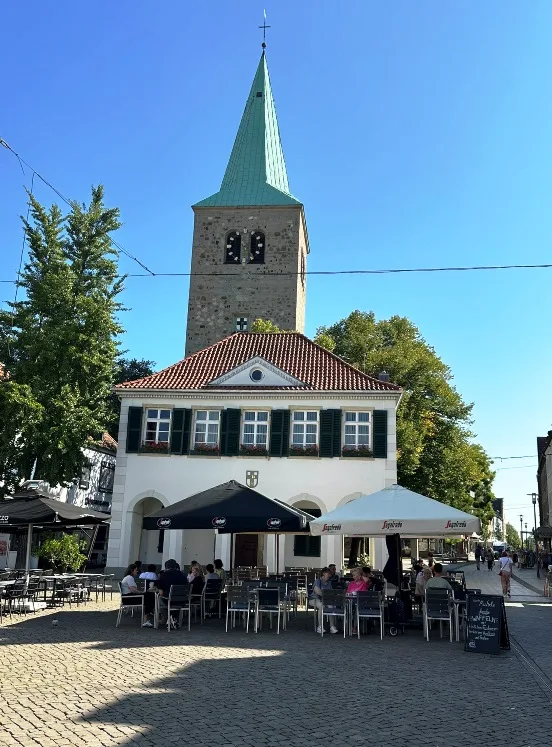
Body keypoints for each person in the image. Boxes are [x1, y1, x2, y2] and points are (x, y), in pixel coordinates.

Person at [310, 567, 338, 634]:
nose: (329, 575)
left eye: (330, 574)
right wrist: (326, 596)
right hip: (315, 599)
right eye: (328, 574)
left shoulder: (329, 583)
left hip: (325, 599)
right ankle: (320, 626)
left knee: (331, 606)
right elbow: (317, 591)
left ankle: (332, 626)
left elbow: (330, 592)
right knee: (321, 606)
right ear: (323, 573)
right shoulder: (318, 581)